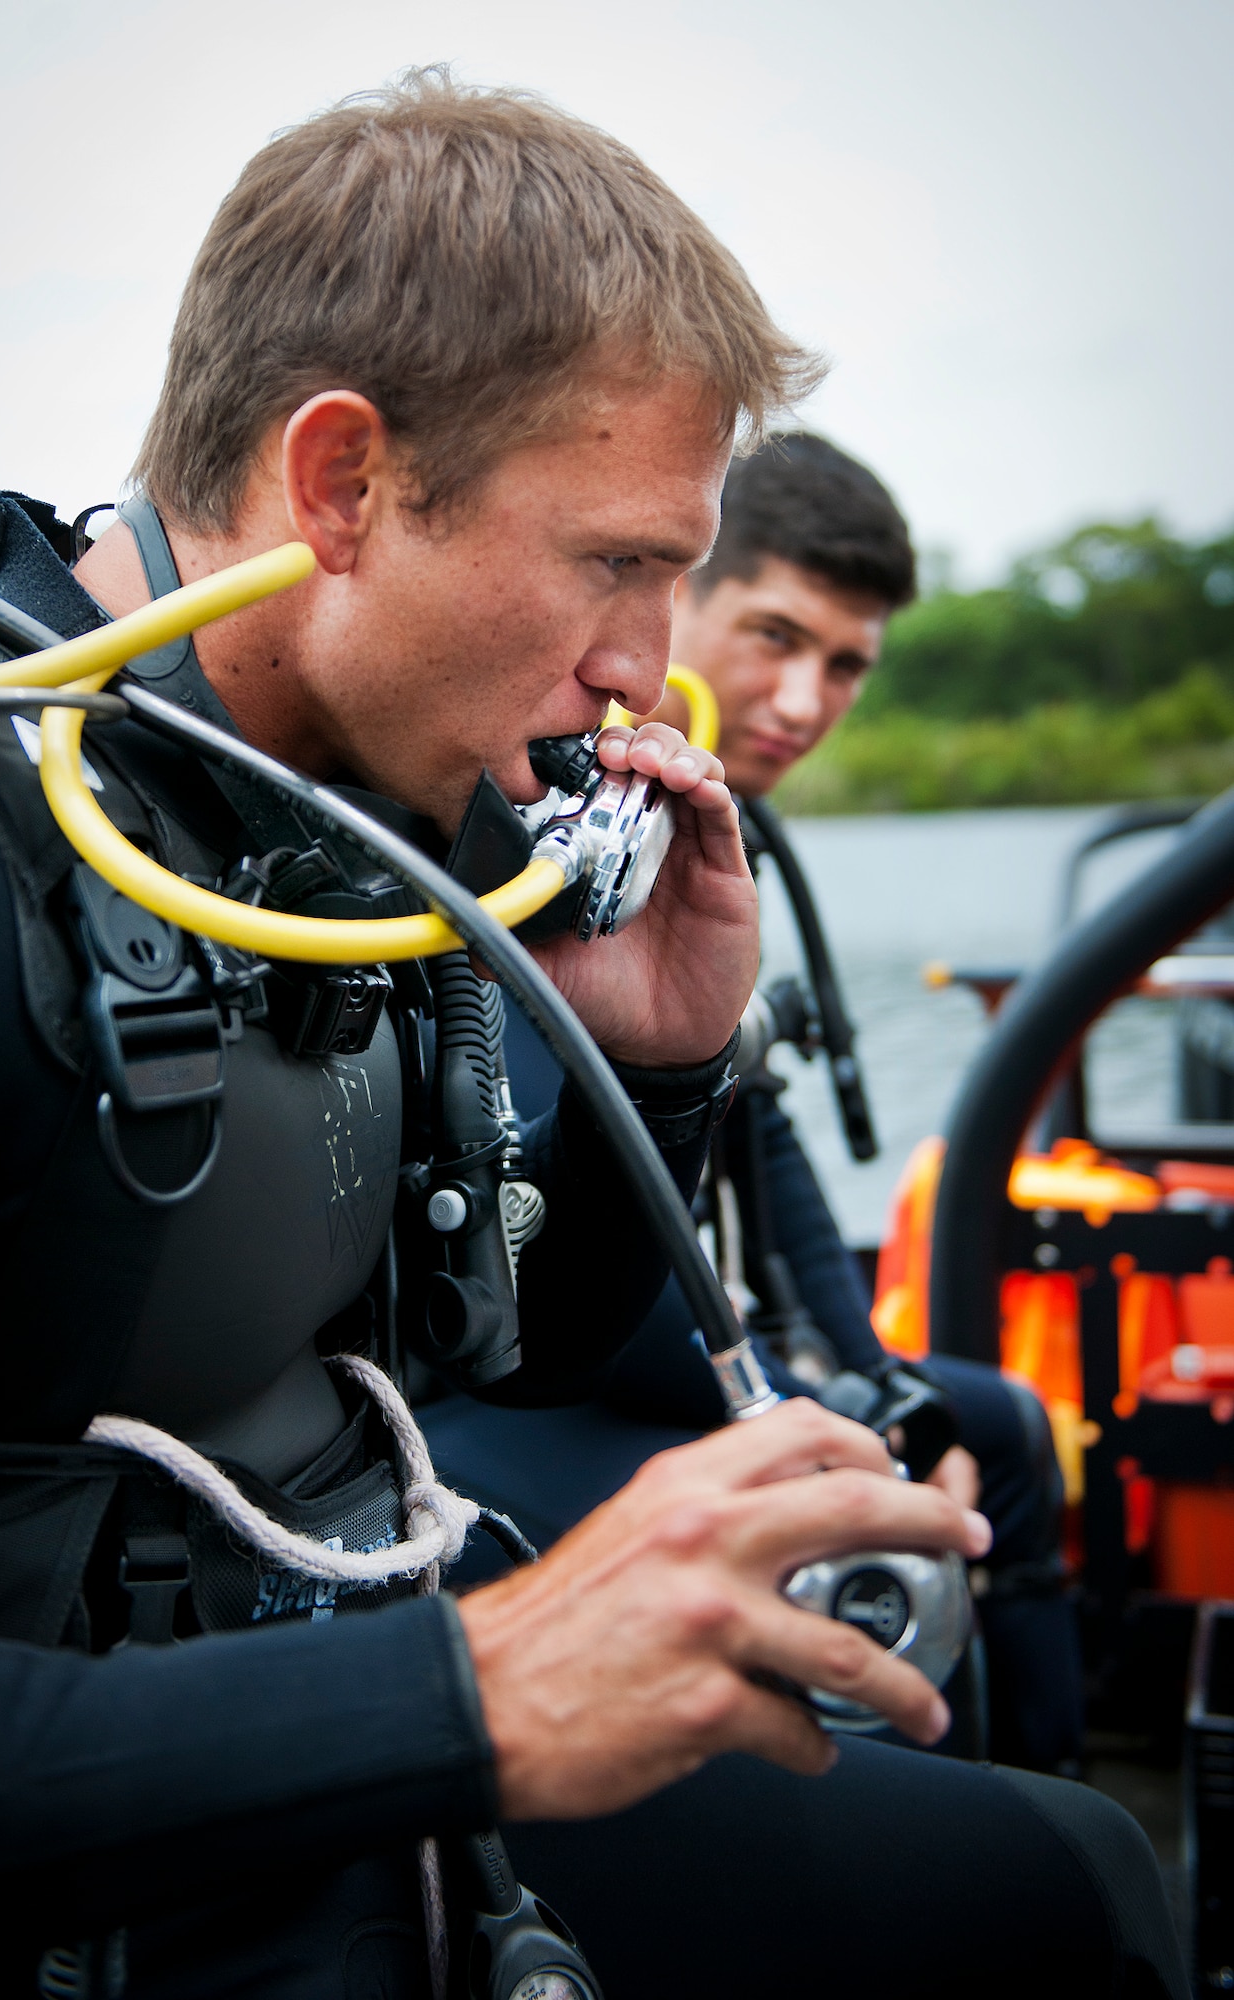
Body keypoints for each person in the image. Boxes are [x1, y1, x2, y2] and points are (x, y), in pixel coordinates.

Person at [0, 73, 1180, 2000]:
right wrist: (465, 1691)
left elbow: (513, 1342)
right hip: (103, 1863)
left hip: (337, 1732)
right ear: (342, 483)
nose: (651, 659)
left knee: (1064, 1886)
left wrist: (660, 1065)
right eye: (618, 562)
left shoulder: (357, 815)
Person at [425, 434, 1084, 1774]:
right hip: (503, 1382)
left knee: (993, 1428)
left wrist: (880, 1397)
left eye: (843, 666)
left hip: (619, 1338)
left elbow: (748, 1115)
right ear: (672, 598)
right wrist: (827, 1433)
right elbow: (597, 1259)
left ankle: (1033, 1786)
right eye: (773, 635)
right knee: (916, 1494)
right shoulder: (564, 816)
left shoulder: (687, 818)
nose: (798, 699)